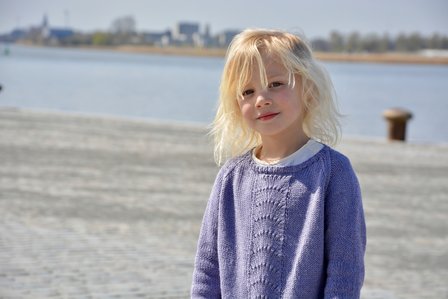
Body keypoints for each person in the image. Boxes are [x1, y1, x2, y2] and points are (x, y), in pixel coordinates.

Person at [191, 28, 366, 299]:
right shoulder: (231, 178)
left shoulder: (333, 173)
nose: (261, 99)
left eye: (275, 84)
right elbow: (207, 269)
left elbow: (345, 271)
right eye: (247, 91)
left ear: (308, 87)